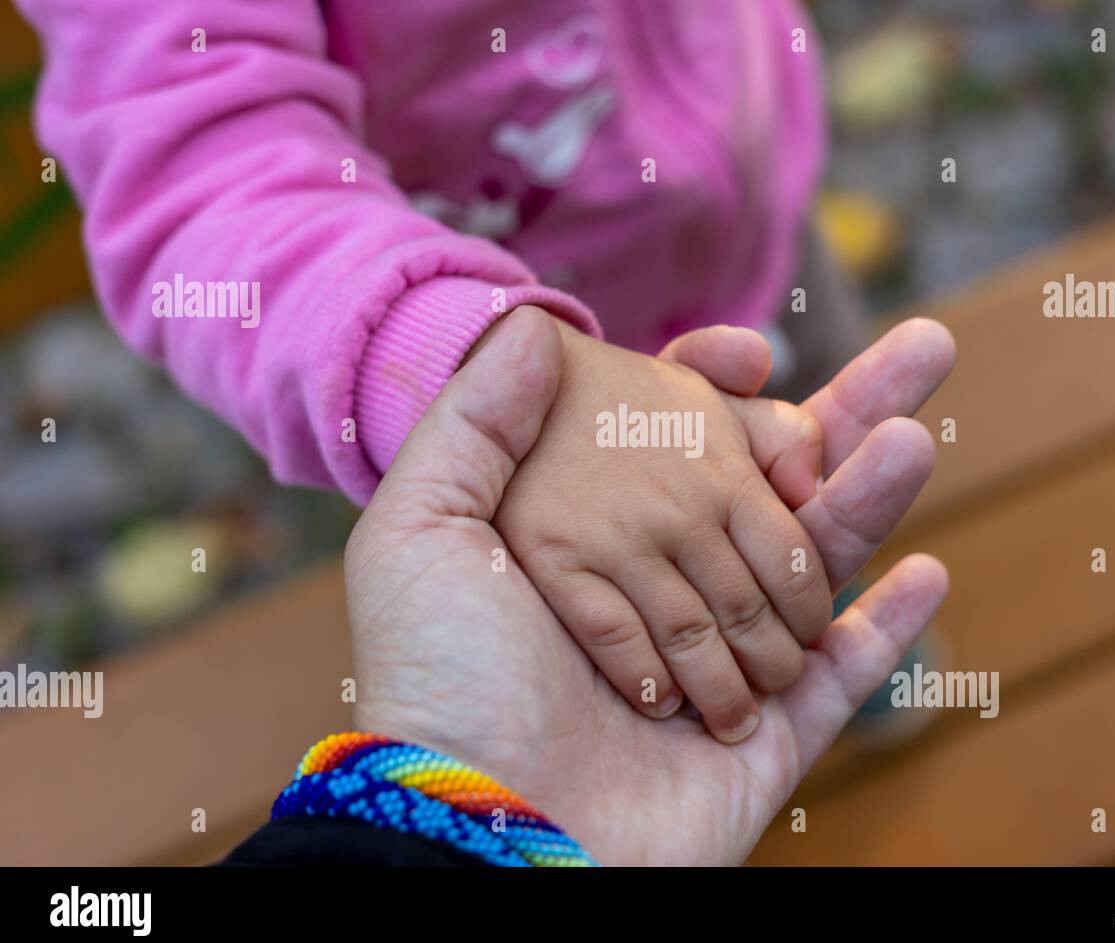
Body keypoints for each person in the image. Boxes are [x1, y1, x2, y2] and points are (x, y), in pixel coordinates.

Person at [17, 1, 878, 744]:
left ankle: (820, 622)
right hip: (472, 387)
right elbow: (206, 185)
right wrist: (464, 372)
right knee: (623, 651)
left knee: (818, 482)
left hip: (748, 236)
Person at [224, 308, 953, 866]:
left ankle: (798, 615)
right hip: (517, 428)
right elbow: (214, 202)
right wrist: (457, 348)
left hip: (738, 264)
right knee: (659, 595)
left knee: (801, 489)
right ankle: (759, 647)